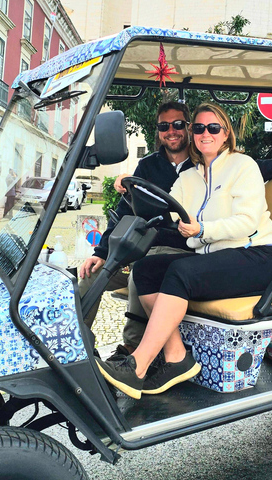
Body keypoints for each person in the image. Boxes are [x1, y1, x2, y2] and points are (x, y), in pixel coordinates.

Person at [95, 103, 272, 399]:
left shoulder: (244, 166)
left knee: (181, 271)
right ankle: (176, 358)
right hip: (214, 257)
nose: (204, 133)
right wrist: (131, 192)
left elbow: (247, 222)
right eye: (198, 128)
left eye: (213, 128)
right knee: (146, 271)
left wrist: (202, 230)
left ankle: (137, 367)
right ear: (193, 134)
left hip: (256, 255)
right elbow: (164, 210)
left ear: (225, 134)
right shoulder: (189, 177)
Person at [78, 101, 195, 359]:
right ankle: (79, 350)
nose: (171, 131)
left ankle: (133, 349)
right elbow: (124, 212)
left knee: (140, 275)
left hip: (182, 250)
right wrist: (102, 252)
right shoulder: (148, 166)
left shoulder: (202, 165)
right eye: (164, 126)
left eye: (177, 124)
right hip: (143, 246)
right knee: (91, 274)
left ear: (188, 127)